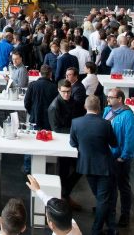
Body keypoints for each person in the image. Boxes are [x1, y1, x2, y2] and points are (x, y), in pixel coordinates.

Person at [69, 95, 117, 235]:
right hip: (104, 167)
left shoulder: (76, 122)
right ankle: (97, 230)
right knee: (103, 199)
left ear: (85, 107)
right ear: (99, 108)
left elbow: (73, 143)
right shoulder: (105, 124)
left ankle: (111, 227)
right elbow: (114, 143)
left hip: (86, 166)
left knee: (102, 198)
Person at [102, 87, 134, 228]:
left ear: (120, 99)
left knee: (123, 187)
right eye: (108, 96)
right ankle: (107, 209)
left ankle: (125, 214)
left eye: (111, 97)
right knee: (108, 186)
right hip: (107, 156)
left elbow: (130, 139)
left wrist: (123, 157)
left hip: (120, 159)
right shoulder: (107, 111)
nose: (108, 99)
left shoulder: (128, 116)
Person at [48, 79, 81, 210]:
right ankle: (64, 196)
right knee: (64, 169)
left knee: (77, 168)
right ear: (59, 90)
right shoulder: (54, 106)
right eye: (64, 92)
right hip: (62, 140)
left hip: (71, 138)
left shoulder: (73, 101)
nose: (67, 94)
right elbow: (56, 128)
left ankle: (65, 194)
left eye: (69, 92)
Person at [24, 65, 58, 131]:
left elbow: (26, 103)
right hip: (48, 120)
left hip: (34, 118)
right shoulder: (54, 87)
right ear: (50, 74)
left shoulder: (32, 85)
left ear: (40, 73)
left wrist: (32, 112)